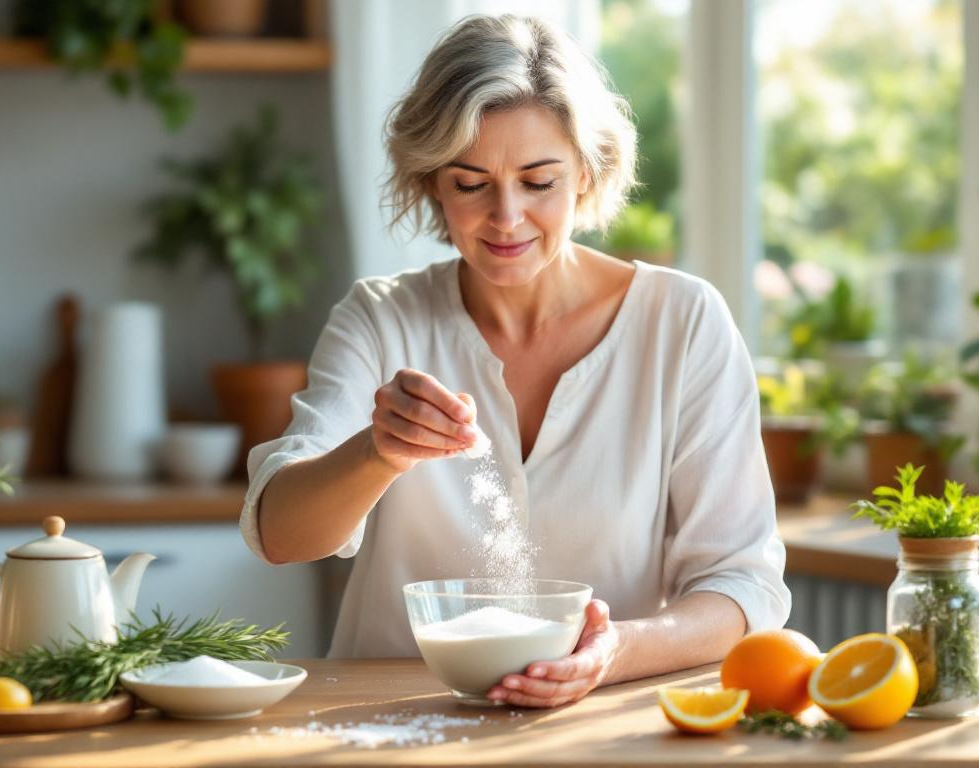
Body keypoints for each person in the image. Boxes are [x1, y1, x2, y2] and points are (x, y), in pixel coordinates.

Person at [241, 14, 790, 708]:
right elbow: (281, 534)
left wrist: (612, 651)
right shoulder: (381, 320)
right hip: (384, 721)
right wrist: (379, 451)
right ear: (433, 183)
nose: (505, 217)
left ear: (586, 175)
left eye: (538, 181)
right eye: (472, 183)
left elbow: (743, 585)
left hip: (599, 726)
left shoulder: (681, 324)